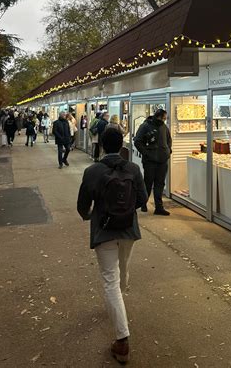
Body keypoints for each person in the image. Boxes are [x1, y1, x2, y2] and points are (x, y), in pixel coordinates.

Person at [77, 127, 147, 365]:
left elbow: (82, 205)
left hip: (104, 231)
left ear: (103, 146)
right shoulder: (134, 169)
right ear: (121, 146)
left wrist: (90, 215)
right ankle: (118, 302)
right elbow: (142, 198)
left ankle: (122, 339)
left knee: (110, 280)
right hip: (128, 230)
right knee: (122, 270)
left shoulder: (92, 171)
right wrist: (125, 211)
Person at [134, 109, 172, 216]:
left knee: (160, 184)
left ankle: (159, 207)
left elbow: (169, 139)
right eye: (163, 118)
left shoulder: (164, 126)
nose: (164, 120)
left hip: (162, 160)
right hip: (150, 161)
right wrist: (146, 153)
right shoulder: (145, 126)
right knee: (148, 183)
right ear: (158, 116)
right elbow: (137, 141)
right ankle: (143, 203)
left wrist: (168, 150)